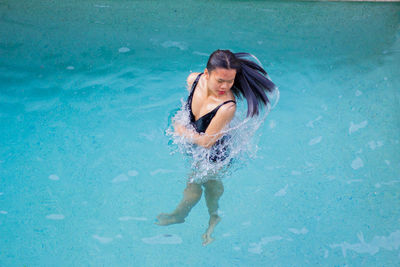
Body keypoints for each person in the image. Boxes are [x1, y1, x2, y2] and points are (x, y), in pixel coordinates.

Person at [156, 49, 276, 246]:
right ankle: (214, 216)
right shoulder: (193, 80)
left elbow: (207, 142)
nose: (225, 86)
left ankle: (181, 215)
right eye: (220, 80)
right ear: (206, 73)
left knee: (194, 183)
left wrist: (180, 130)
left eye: (230, 81)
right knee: (209, 184)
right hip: (198, 143)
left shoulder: (227, 106)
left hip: (216, 153)